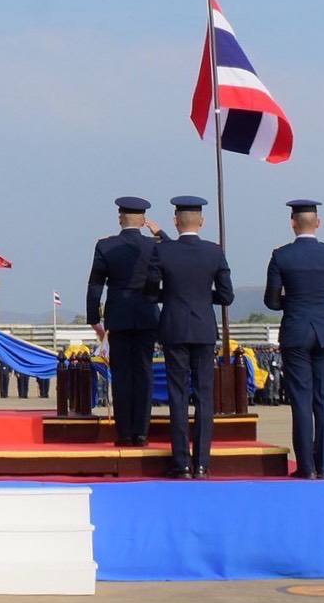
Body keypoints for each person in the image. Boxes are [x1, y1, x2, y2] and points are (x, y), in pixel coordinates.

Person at [264, 199, 324, 479]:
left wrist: (294, 303)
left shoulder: (281, 256)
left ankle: (306, 467)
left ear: (293, 223)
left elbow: (271, 301)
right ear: (318, 223)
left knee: (301, 400)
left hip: (296, 331)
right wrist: (321, 304)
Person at [151, 196, 234, 478]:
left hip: (174, 327)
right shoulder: (214, 252)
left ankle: (181, 463)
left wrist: (173, 295)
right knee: (204, 397)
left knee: (177, 395)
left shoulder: (163, 251)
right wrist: (202, 296)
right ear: (202, 221)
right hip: (203, 328)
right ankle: (201, 463)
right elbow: (226, 295)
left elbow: (150, 291)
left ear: (176, 221)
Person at [87, 196, 167, 446]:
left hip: (118, 316)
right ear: (143, 221)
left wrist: (94, 318)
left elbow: (95, 284)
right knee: (144, 373)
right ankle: (141, 433)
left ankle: (123, 434)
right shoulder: (154, 245)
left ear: (120, 218)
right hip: (147, 315)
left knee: (121, 375)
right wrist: (160, 233)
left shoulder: (106, 246)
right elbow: (177, 253)